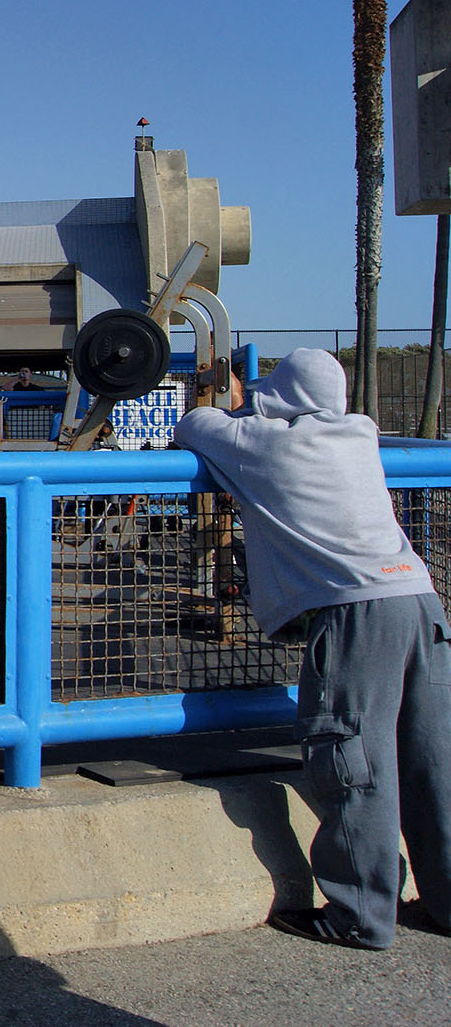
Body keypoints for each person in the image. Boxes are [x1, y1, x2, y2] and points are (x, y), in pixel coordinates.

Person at [174, 349, 451, 950]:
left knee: (354, 762)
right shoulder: (360, 432)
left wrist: (233, 399)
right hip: (420, 598)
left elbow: (193, 426)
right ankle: (448, 901)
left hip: (356, 610)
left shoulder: (264, 444)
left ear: (283, 394)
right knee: (432, 763)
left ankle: (359, 917)